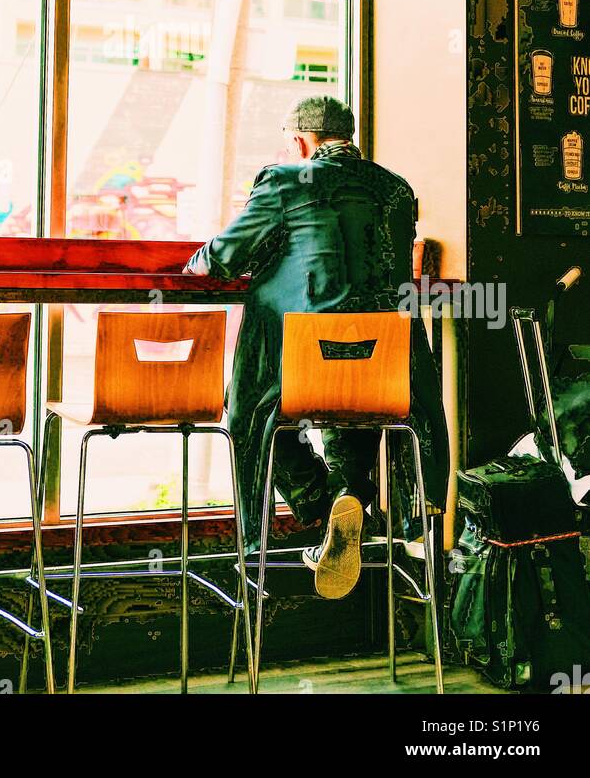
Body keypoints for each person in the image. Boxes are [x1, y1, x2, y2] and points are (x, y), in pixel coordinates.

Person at [183, 95, 449, 599]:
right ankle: (350, 496)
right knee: (355, 402)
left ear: (301, 142)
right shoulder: (395, 189)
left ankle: (321, 502)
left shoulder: (285, 182)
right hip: (388, 375)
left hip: (303, 369)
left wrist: (196, 263)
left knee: (248, 415)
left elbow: (222, 258)